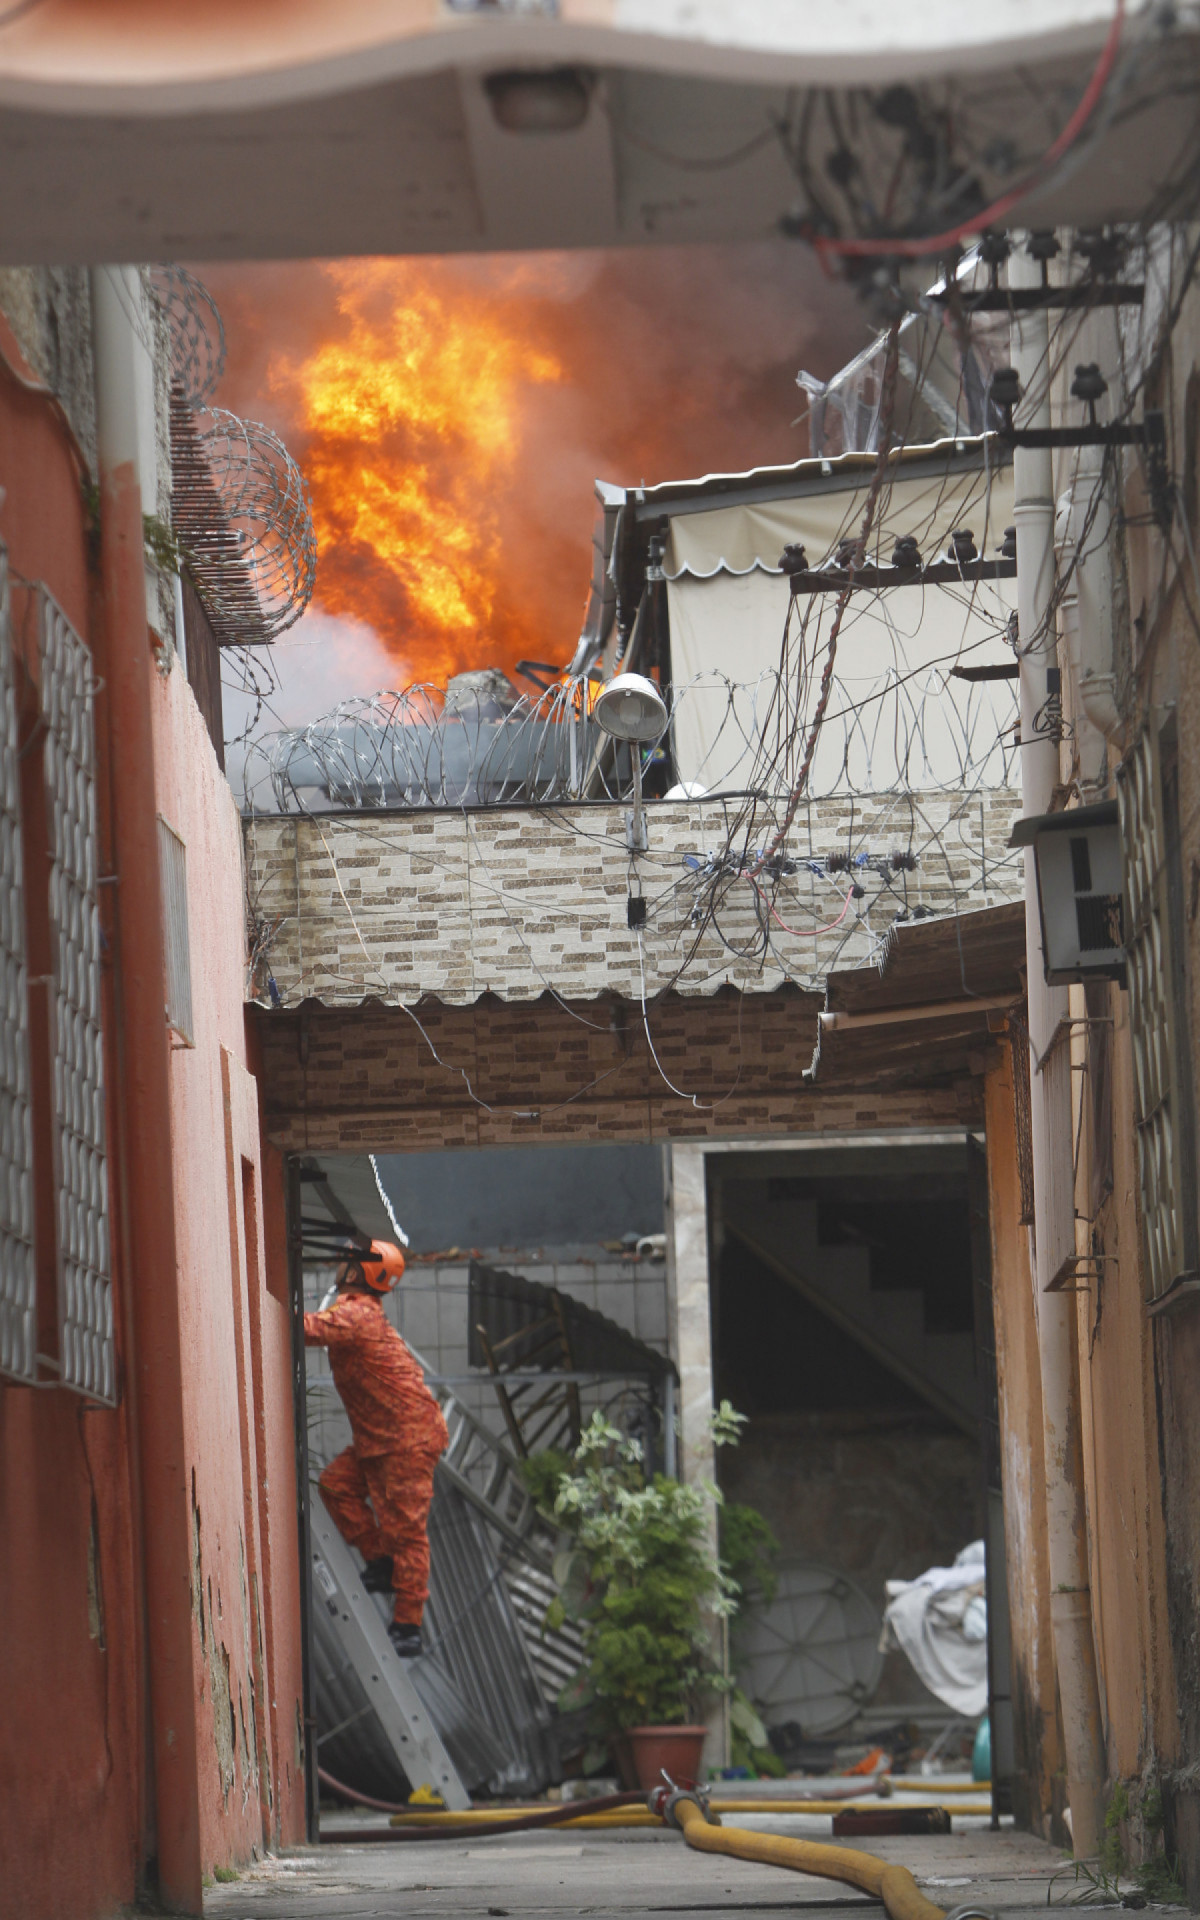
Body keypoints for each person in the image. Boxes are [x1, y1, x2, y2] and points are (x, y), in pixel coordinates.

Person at [303, 1240, 448, 1657]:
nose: (340, 1265)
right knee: (335, 1487)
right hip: (382, 1439)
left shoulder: (358, 1313)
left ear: (357, 1273)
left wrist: (261, 1307)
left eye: (347, 1261)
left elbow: (311, 1328)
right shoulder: (360, 1313)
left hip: (405, 1440)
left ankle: (408, 1625)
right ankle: (380, 1562)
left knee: (407, 1532)